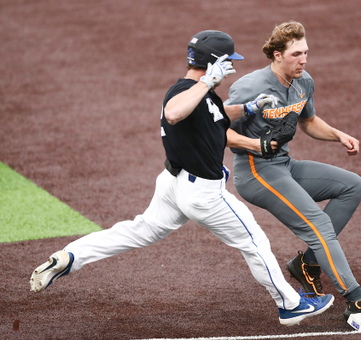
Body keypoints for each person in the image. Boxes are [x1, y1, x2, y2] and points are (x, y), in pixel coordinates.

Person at [29, 30, 334, 326]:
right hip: (203, 194)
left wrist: (250, 107)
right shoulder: (183, 92)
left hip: (173, 185)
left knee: (139, 231)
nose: (231, 67)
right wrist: (208, 82)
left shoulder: (202, 95)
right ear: (214, 62)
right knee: (254, 242)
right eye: (227, 61)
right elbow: (174, 113)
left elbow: (215, 115)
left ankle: (72, 256)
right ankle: (290, 306)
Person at [224, 21, 361, 321]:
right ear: (277, 55)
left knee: (353, 185)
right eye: (296, 54)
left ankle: (306, 263)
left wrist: (338, 135)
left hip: (284, 165)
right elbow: (215, 128)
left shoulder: (303, 81)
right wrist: (255, 144)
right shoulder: (249, 86)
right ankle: (356, 299)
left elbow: (308, 121)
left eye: (306, 52)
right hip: (255, 172)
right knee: (318, 225)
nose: (303, 60)